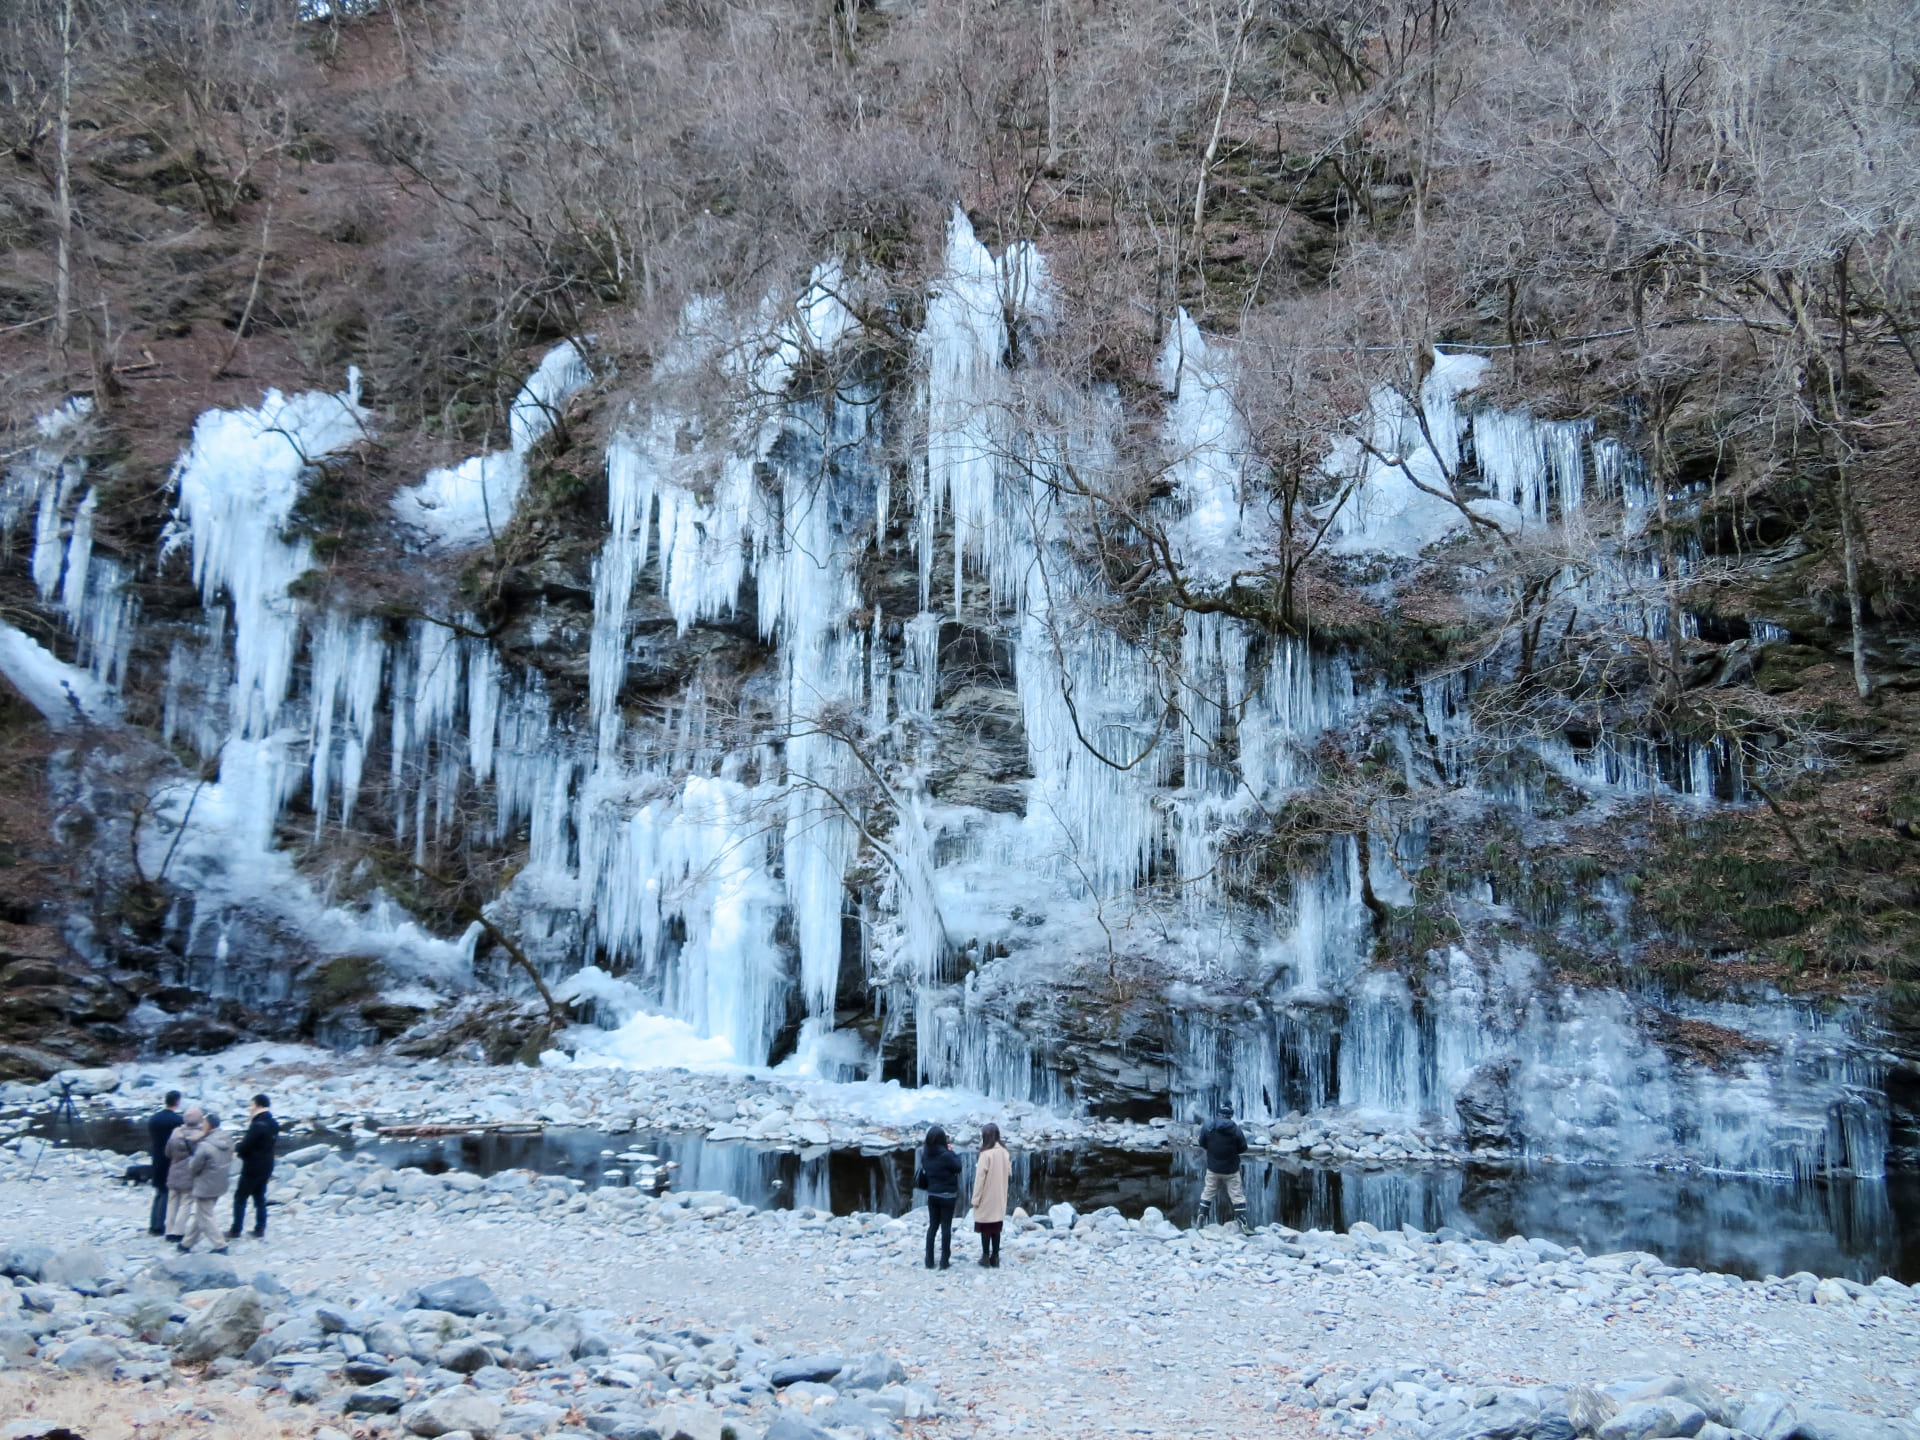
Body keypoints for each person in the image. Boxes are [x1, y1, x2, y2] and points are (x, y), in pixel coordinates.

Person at [181, 1110, 235, 1254]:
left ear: (209, 1125)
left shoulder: (205, 1146)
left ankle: (220, 1245)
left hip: (205, 1184)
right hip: (220, 1181)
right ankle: (186, 1243)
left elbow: (194, 1167)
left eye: (204, 1123)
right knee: (202, 1213)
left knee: (205, 1215)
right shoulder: (227, 1139)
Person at [1197, 1101, 1252, 1234]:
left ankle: (1201, 1218)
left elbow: (1202, 1143)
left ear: (1219, 1114)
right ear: (1231, 1115)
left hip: (1213, 1168)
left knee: (1208, 1192)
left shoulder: (1208, 1126)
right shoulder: (1236, 1129)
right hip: (1231, 1169)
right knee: (1237, 1195)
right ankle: (1243, 1222)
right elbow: (1243, 1148)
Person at [229, 1093, 278, 1240]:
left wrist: (238, 1147)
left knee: (240, 1197)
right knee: (259, 1197)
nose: (250, 1108)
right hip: (267, 1164)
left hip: (253, 1166)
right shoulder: (273, 1123)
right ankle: (260, 1228)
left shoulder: (257, 1125)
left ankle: (236, 1229)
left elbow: (246, 1146)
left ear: (258, 1105)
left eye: (251, 1105)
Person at [915, 1125, 962, 1270]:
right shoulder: (946, 1155)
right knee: (946, 1227)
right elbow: (958, 1167)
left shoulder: (925, 1154)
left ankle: (929, 1260)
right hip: (948, 1196)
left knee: (933, 1226)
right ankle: (944, 1261)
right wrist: (952, 1152)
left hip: (932, 1195)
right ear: (943, 1140)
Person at [970, 1121, 1011, 1268]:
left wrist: (975, 1199)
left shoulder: (985, 1155)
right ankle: (996, 1257)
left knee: (986, 1228)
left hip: (987, 1196)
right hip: (999, 1195)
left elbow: (980, 1179)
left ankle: (985, 1256)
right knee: (996, 1227)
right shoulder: (1005, 1152)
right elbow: (1009, 1172)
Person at [163, 1107, 204, 1242]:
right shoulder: (200, 1136)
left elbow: (167, 1153)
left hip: (174, 1170)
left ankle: (168, 1230)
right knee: (185, 1202)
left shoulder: (175, 1133)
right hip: (189, 1172)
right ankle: (178, 1231)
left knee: (172, 1201)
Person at [145, 1091, 184, 1236]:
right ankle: (160, 1225)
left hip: (156, 1156)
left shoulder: (154, 1118)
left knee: (158, 1191)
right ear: (177, 1102)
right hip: (171, 1158)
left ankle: (153, 1223)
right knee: (167, 1192)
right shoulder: (178, 1121)